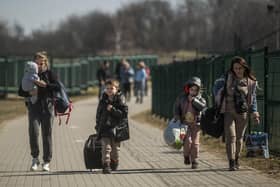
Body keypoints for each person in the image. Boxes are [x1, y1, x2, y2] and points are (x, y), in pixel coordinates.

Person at [213, 56, 260, 171]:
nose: (238, 70)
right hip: (228, 112)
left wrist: (254, 112)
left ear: (244, 68)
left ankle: (237, 158)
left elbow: (252, 98)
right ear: (232, 68)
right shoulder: (225, 78)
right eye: (235, 68)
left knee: (239, 138)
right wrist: (218, 100)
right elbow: (215, 89)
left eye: (240, 68)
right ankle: (231, 162)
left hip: (242, 114)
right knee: (230, 137)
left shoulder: (250, 82)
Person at [24, 51, 60, 172]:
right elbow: (21, 90)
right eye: (37, 63)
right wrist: (29, 93)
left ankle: (46, 161)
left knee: (47, 134)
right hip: (33, 106)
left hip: (47, 106)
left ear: (45, 63)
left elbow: (57, 87)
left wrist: (46, 85)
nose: (39, 65)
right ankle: (35, 158)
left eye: (41, 63)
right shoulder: (28, 74)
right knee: (33, 132)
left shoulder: (50, 73)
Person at [95, 79, 128, 174]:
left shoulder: (120, 99)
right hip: (105, 128)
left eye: (111, 88)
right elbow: (98, 114)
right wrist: (97, 126)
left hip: (117, 129)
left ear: (117, 89)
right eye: (107, 88)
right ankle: (106, 165)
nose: (109, 90)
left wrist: (112, 109)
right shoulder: (103, 100)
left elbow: (124, 114)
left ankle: (115, 161)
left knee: (115, 150)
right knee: (106, 147)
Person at [173, 77, 206, 169]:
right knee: (187, 142)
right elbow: (176, 108)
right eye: (192, 90)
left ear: (198, 90)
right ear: (188, 89)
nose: (193, 92)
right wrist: (177, 116)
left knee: (195, 143)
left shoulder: (201, 99)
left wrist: (194, 101)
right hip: (184, 124)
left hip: (196, 124)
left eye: (196, 90)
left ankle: (195, 160)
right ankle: (186, 156)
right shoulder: (181, 98)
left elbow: (202, 107)